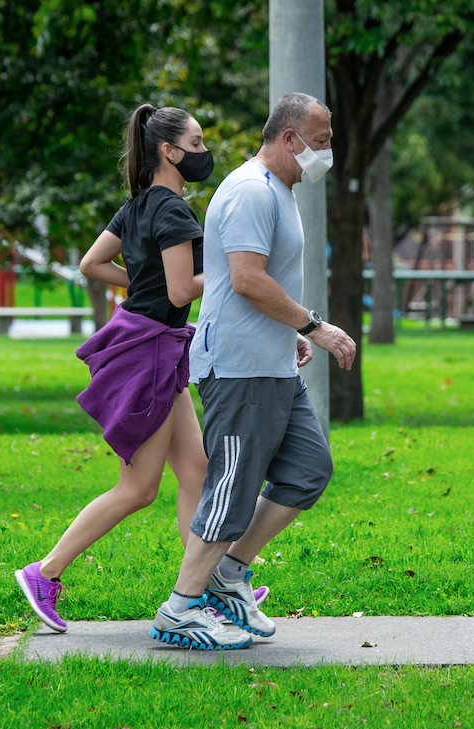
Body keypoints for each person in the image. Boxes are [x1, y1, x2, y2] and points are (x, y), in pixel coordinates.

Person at [14, 104, 266, 634]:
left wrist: (141, 283)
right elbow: (180, 290)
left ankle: (202, 588)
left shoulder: (135, 207)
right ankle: (45, 572)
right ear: (169, 151)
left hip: (157, 344)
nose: (204, 152)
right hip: (150, 350)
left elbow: (92, 265)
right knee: (138, 488)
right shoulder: (173, 211)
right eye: (196, 143)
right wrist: (229, 273)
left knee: (195, 471)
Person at [149, 93, 356, 650]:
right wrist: (315, 326)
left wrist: (287, 333)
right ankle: (180, 609)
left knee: (308, 470)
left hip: (271, 366)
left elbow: (254, 284)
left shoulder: (279, 192)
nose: (327, 152)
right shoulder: (249, 192)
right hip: (239, 369)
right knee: (233, 488)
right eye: (321, 142)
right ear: (289, 139)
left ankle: (230, 573)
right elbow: (245, 278)